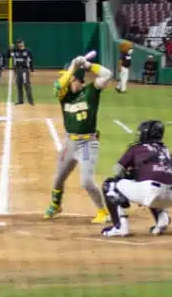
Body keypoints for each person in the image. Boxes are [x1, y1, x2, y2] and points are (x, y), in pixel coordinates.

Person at [44, 55, 113, 224]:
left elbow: (108, 74)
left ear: (78, 80)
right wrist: (73, 67)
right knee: (59, 177)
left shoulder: (91, 91)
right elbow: (57, 86)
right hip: (70, 143)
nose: (64, 80)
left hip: (87, 144)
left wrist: (88, 65)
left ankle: (102, 212)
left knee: (87, 181)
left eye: (69, 78)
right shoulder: (63, 96)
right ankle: (56, 205)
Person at [100, 120, 172, 237]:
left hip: (150, 192)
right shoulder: (166, 150)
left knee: (109, 185)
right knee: (154, 188)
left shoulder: (137, 148)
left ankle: (120, 226)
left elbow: (117, 172)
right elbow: (167, 172)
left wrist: (132, 174)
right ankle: (162, 219)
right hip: (171, 196)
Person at [10, 39, 34, 105]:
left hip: (24, 70)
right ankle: (20, 100)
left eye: (20, 43)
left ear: (23, 43)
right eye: (18, 43)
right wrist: (10, 49)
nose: (19, 44)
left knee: (26, 84)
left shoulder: (27, 51)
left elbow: (31, 61)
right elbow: (8, 56)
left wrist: (31, 70)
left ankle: (31, 101)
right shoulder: (15, 51)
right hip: (17, 70)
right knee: (19, 85)